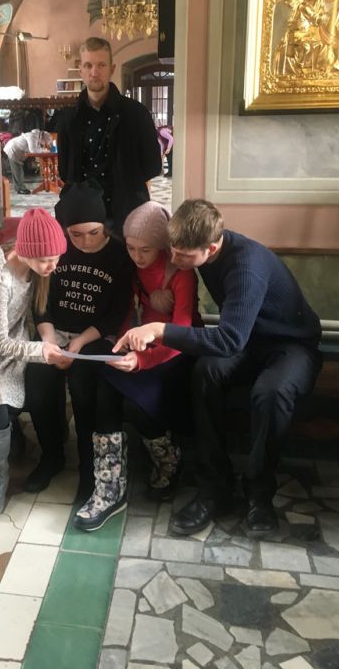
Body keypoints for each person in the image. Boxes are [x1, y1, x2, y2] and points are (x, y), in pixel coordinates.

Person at [114, 199, 322, 535]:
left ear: (210, 248)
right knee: (206, 372)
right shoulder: (203, 249)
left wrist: (160, 330)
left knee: (271, 392)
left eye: (183, 255)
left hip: (292, 344)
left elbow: (229, 341)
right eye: (172, 250)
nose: (175, 260)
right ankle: (214, 487)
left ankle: (259, 494)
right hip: (248, 339)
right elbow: (234, 338)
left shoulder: (246, 267)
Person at [73, 201, 201, 532]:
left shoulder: (181, 273)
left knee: (136, 404)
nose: (137, 256)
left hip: (173, 353)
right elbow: (127, 314)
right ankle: (109, 488)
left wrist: (142, 359)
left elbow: (183, 332)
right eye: (130, 248)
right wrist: (122, 347)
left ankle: (169, 460)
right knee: (106, 386)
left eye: (145, 250)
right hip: (138, 346)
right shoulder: (130, 267)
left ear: (162, 246)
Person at [26, 181, 133, 500]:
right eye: (76, 234)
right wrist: (49, 343)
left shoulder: (119, 255)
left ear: (105, 227)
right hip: (53, 331)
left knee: (85, 388)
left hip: (94, 336)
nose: (85, 241)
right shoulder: (56, 249)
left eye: (93, 233)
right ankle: (52, 456)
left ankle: (89, 465)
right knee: (38, 384)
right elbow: (41, 303)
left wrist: (78, 344)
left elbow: (116, 313)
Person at [0, 208, 66, 516]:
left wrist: (46, 346)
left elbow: (37, 313)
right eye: (47, 260)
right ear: (26, 251)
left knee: (41, 380)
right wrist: (41, 351)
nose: (53, 266)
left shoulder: (37, 269)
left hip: (17, 337)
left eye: (56, 258)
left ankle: (52, 450)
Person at [56, 37, 161, 231]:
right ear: (80, 70)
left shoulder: (137, 113)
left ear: (112, 69)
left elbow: (153, 166)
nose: (94, 72)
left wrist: (126, 182)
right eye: (88, 65)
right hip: (82, 215)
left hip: (127, 212)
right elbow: (64, 171)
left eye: (101, 65)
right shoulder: (68, 119)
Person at [3, 129, 53, 194]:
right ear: (43, 138)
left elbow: (36, 149)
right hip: (13, 149)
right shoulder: (33, 136)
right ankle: (20, 189)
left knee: (18, 170)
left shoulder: (37, 137)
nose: (44, 143)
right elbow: (33, 150)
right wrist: (45, 151)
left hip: (17, 150)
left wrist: (43, 149)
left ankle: (19, 188)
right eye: (45, 142)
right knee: (17, 170)